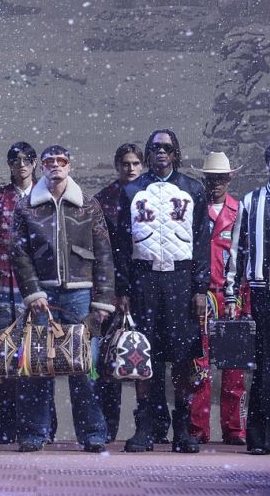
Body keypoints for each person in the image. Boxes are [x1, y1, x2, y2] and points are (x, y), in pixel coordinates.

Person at [12, 145, 114, 453]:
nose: (55, 166)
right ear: (41, 167)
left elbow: (104, 254)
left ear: (69, 166)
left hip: (80, 295)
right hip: (43, 294)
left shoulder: (87, 204)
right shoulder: (26, 206)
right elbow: (19, 253)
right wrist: (33, 293)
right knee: (38, 365)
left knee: (84, 366)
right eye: (49, 162)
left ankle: (93, 433)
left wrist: (102, 301)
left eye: (61, 161)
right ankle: (35, 432)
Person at [117, 129, 210, 453]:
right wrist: (124, 288)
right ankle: (145, 426)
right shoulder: (131, 191)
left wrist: (201, 288)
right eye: (155, 148)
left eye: (166, 148)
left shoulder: (193, 190)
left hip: (180, 281)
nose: (160, 153)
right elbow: (121, 244)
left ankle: (182, 428)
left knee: (182, 357)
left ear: (175, 153)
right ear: (148, 152)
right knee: (144, 352)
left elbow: (201, 244)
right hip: (144, 280)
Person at [94, 143, 172, 443]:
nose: (131, 168)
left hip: (146, 287)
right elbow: (101, 250)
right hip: (113, 288)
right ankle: (108, 426)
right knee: (109, 359)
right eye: (125, 163)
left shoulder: (154, 194)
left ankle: (154, 423)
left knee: (149, 356)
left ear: (143, 165)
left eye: (136, 163)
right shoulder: (104, 200)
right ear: (117, 166)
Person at [0, 141, 59, 445]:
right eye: (16, 159)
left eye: (28, 159)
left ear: (36, 164)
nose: (22, 164)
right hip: (5, 285)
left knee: (40, 358)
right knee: (5, 358)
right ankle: (2, 425)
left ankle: (41, 427)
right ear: (9, 164)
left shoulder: (48, 197)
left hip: (41, 290)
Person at [187, 152, 248, 445]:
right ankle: (198, 429)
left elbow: (243, 255)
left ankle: (234, 429)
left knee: (233, 367)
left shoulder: (239, 211)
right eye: (212, 178)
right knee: (199, 366)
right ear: (205, 179)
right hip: (201, 295)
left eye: (221, 178)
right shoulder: (193, 209)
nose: (216, 184)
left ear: (229, 178)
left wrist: (237, 296)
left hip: (229, 294)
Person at [224, 144, 270, 454]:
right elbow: (236, 252)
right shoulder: (252, 202)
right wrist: (230, 292)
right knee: (265, 365)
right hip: (262, 290)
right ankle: (259, 438)